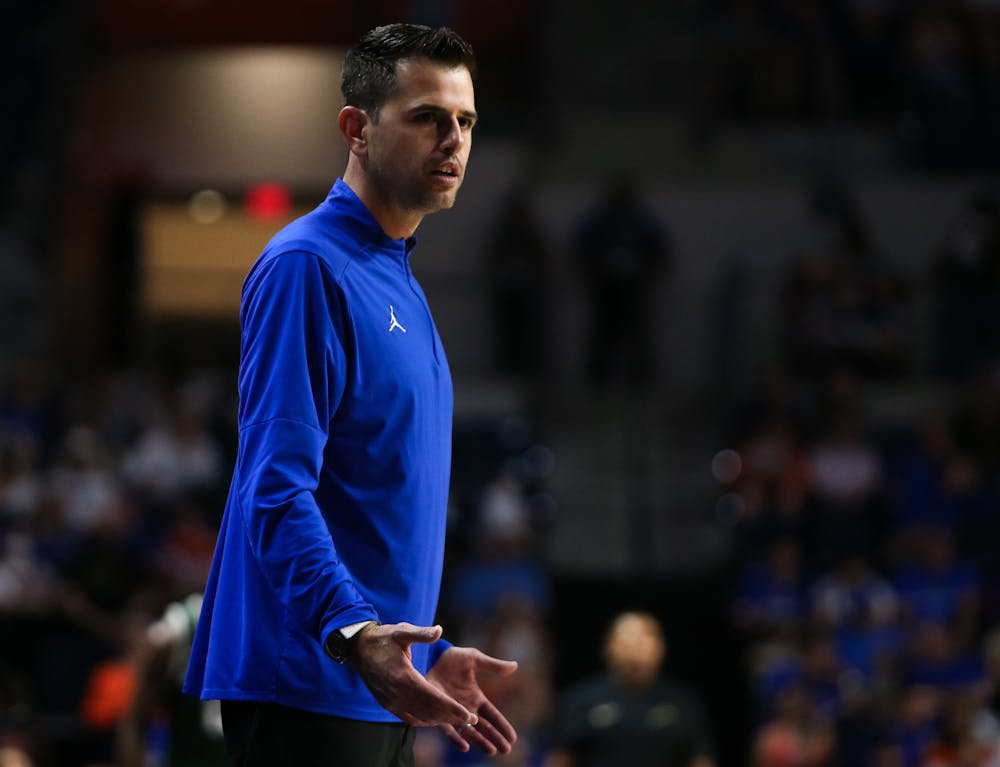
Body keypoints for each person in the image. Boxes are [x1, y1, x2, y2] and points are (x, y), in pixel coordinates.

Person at [182, 23, 518, 767]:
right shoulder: (306, 265)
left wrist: (419, 656)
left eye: (464, 121)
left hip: (376, 680)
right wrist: (356, 632)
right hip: (306, 678)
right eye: (427, 117)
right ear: (356, 129)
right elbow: (273, 486)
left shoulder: (397, 276)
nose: (453, 140)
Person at [548, 611, 715, 767]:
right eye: (628, 641)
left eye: (644, 641)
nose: (636, 650)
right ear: (608, 647)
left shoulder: (682, 701)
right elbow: (561, 758)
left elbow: (700, 758)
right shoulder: (581, 700)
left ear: (660, 649)